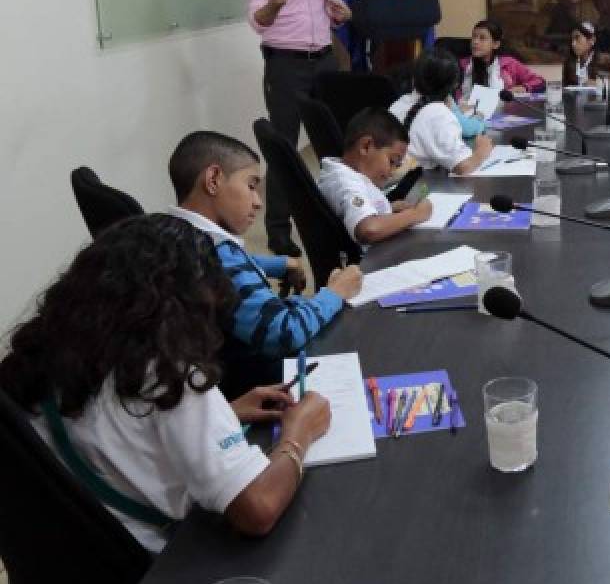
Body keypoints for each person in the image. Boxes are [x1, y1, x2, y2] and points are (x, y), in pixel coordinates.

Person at [0, 214, 332, 552]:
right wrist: (298, 433)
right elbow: (257, 508)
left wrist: (226, 413)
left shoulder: (50, 350)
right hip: (158, 561)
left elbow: (116, 434)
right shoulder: (167, 373)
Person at [166, 132, 362, 396]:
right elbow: (284, 333)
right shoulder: (216, 257)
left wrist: (280, 264)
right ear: (213, 180)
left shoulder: (176, 233)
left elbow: (236, 264)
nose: (258, 202)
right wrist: (334, 293)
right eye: (251, 185)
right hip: (252, 384)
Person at [245, 0, 352, 258]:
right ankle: (278, 232)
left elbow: (329, 12)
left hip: (324, 59)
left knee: (334, 141)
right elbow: (259, 21)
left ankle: (345, 210)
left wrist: (340, 14)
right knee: (284, 147)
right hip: (286, 65)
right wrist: (273, 5)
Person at [318, 108, 433, 247]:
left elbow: (356, 209)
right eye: (392, 161)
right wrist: (416, 214)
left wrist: (388, 208)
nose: (391, 172)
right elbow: (368, 230)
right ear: (366, 146)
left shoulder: (347, 174)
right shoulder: (345, 183)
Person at [390, 49, 495, 174]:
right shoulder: (439, 114)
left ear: (414, 78)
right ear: (455, 84)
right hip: (415, 185)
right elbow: (462, 167)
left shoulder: (399, 103)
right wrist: (480, 152)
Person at [460, 20, 546, 96]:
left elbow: (540, 83)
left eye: (482, 38)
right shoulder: (460, 65)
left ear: (496, 44)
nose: (475, 42)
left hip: (503, 111)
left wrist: (523, 88)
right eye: (474, 37)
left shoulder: (510, 64)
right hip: (464, 112)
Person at [561, 21, 610, 88]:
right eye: (572, 39)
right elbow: (565, 88)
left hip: (598, 102)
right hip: (576, 103)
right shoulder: (569, 61)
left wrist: (599, 83)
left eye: (577, 38)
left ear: (592, 40)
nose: (573, 44)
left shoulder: (604, 59)